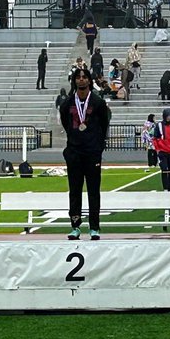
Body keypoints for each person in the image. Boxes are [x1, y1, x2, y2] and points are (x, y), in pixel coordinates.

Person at [59, 67, 110, 240]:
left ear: (89, 80)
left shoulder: (98, 102)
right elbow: (66, 123)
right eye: (78, 77)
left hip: (92, 153)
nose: (81, 80)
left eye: (84, 77)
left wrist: (98, 146)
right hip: (74, 152)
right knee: (74, 190)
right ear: (74, 81)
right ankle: (75, 226)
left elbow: (104, 124)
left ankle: (94, 227)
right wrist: (74, 140)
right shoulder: (67, 103)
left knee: (93, 190)